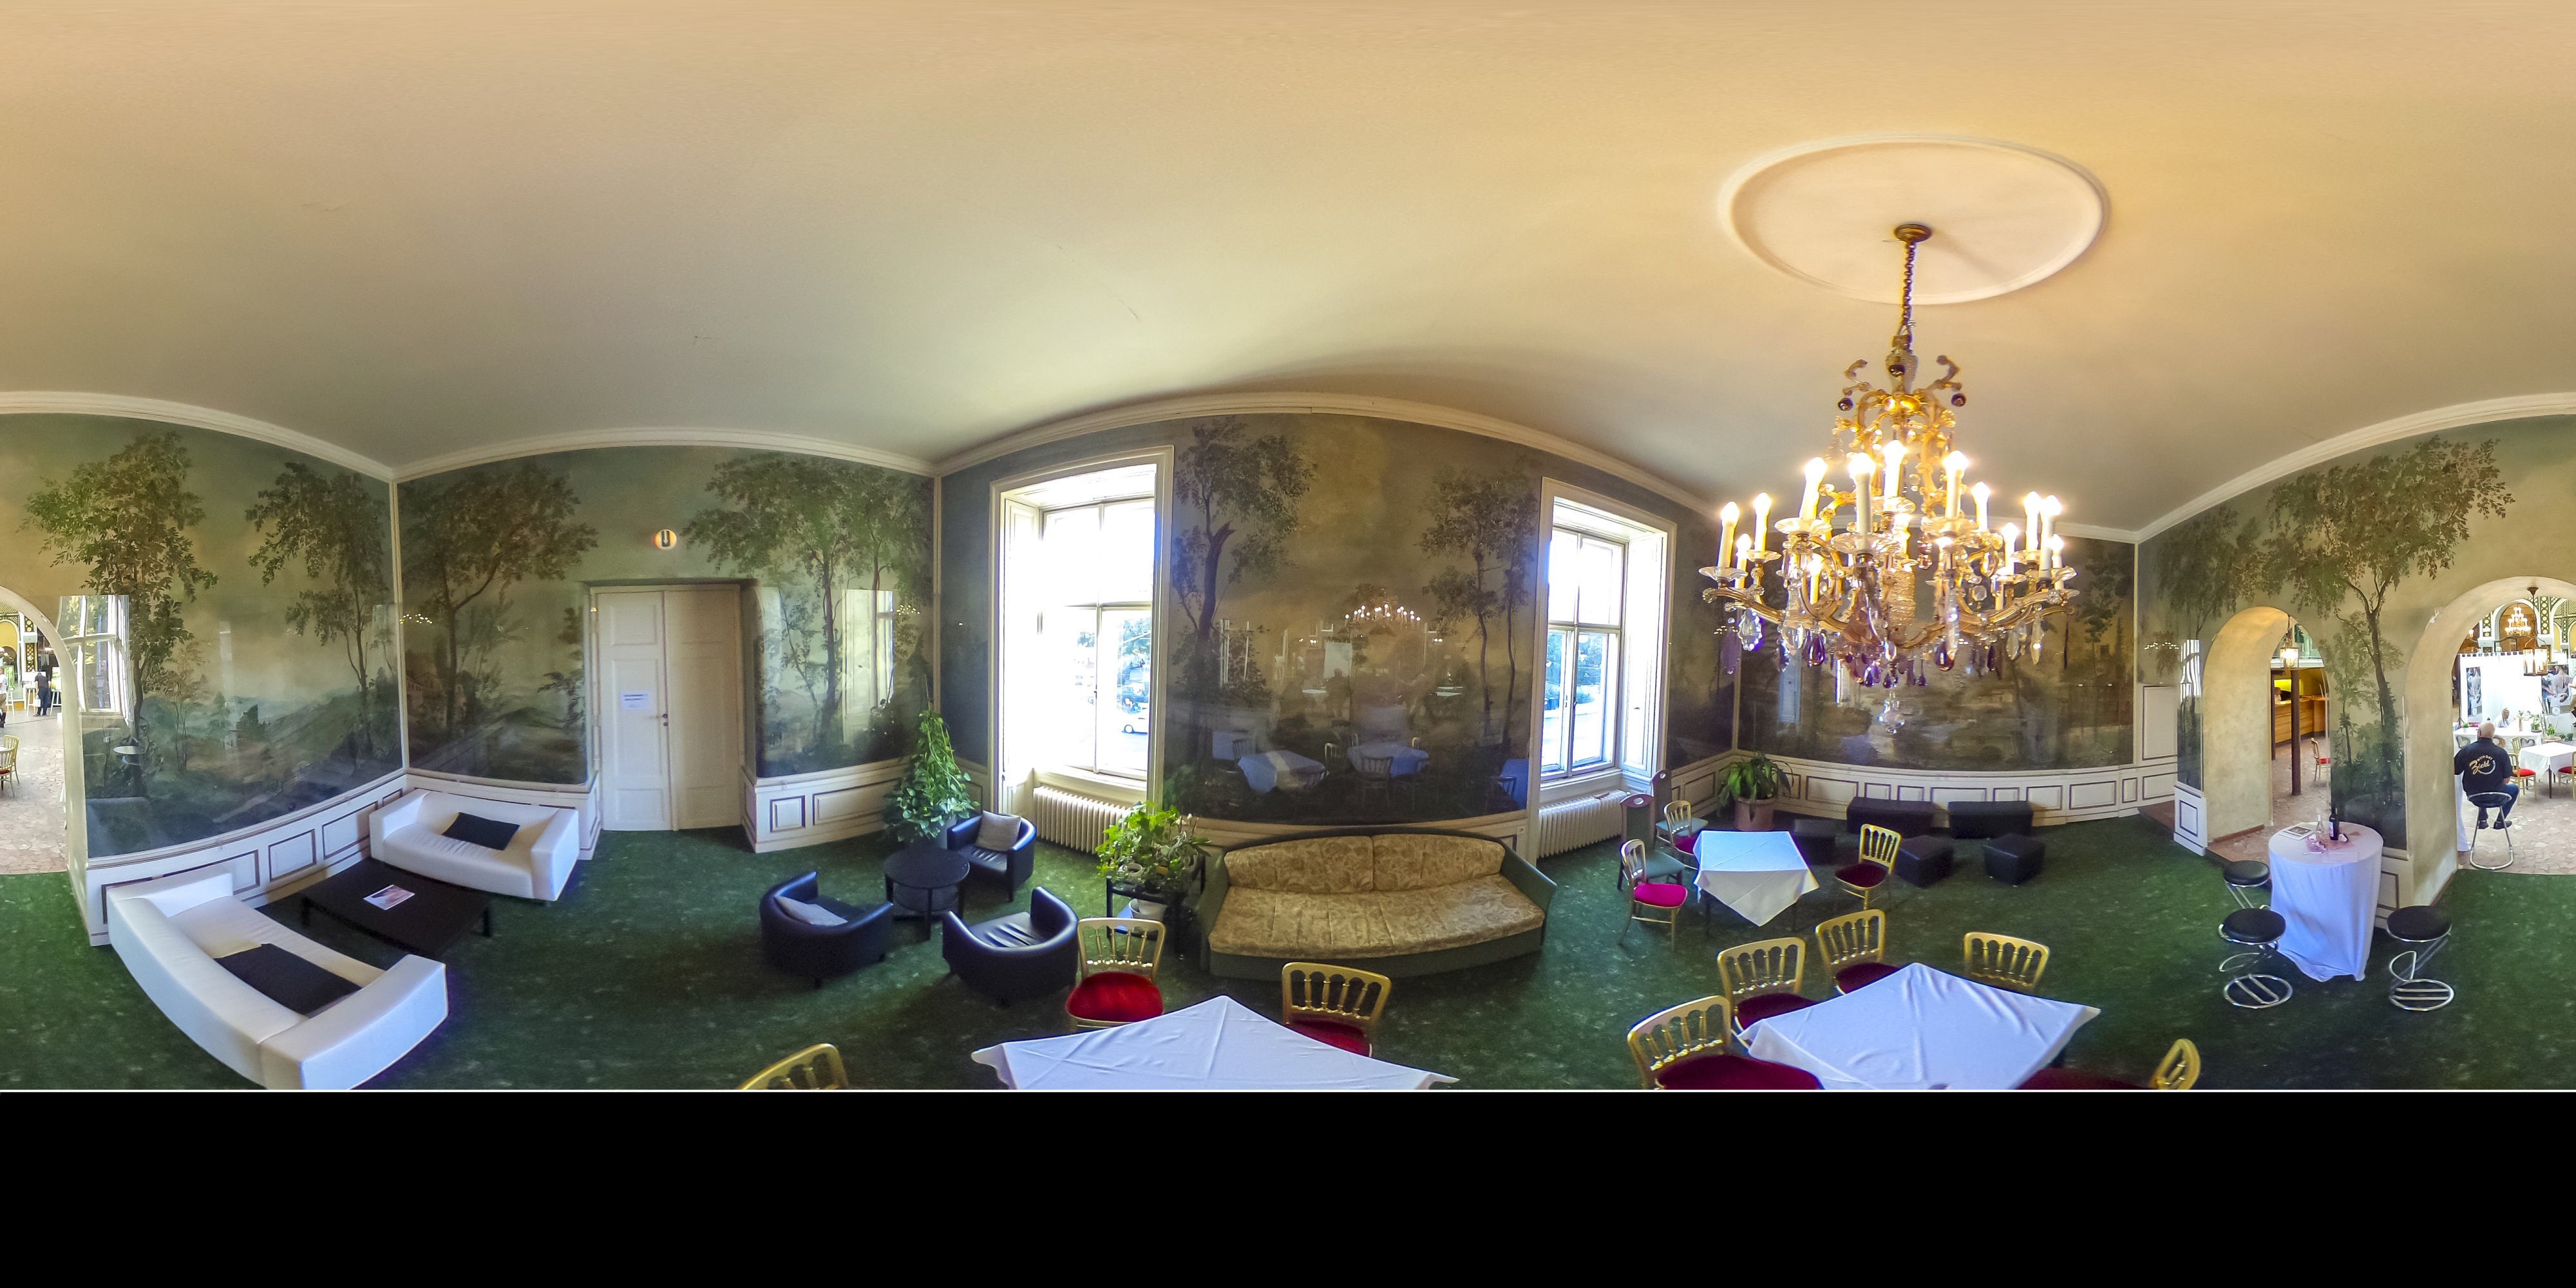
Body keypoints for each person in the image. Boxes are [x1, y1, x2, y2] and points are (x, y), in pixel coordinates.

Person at [2456, 720, 2519, 830]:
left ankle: (2483, 820)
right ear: (2493, 735)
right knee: (2514, 789)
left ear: (2479, 733)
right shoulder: (2501, 753)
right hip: (2497, 796)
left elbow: (2455, 770)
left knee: (2480, 784)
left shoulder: (2467, 751)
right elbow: (2507, 779)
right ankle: (2500, 821)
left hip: (2474, 796)